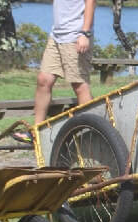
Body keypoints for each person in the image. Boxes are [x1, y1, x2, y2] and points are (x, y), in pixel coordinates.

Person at [13, 0, 96, 144]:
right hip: (57, 35)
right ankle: (36, 132)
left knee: (79, 85)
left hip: (75, 36)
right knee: (44, 80)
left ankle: (92, 134)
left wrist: (85, 32)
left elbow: (91, 2)